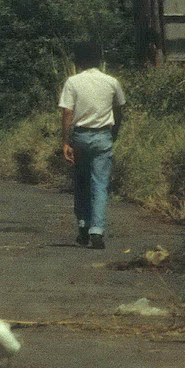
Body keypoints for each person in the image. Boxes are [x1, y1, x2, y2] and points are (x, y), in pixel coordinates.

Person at [58, 41, 127, 249]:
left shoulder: (73, 82)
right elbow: (120, 109)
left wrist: (65, 141)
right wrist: (113, 133)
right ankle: (97, 231)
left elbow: (67, 112)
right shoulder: (112, 82)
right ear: (100, 60)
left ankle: (83, 225)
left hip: (80, 137)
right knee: (100, 185)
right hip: (103, 136)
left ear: (79, 61)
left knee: (81, 183)